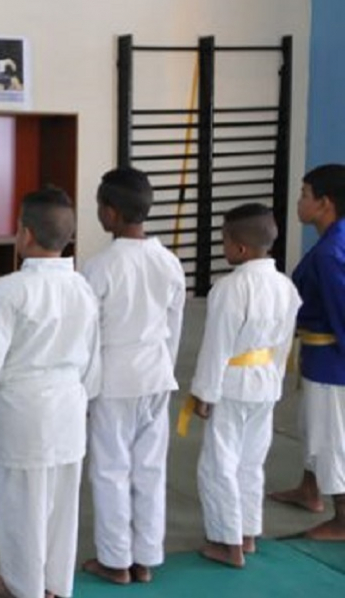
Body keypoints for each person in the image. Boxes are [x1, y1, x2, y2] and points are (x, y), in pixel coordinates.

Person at [0, 188, 100, 598]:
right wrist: (88, 398)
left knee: (18, 507)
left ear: (25, 234)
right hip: (69, 405)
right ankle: (55, 586)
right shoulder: (82, 288)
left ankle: (23, 586)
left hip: (24, 411)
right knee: (61, 507)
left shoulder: (12, 289)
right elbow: (91, 354)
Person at [79, 168, 186, 585]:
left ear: (112, 211)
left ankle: (115, 559)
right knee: (150, 468)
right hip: (157, 373)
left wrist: (86, 388)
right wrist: (166, 368)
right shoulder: (169, 261)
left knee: (110, 468)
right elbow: (175, 327)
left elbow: (89, 336)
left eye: (99, 207)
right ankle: (145, 558)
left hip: (114, 378)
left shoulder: (100, 266)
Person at [185, 204, 301, 567]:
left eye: (223, 239)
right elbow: (285, 342)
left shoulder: (230, 288)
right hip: (266, 380)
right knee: (252, 461)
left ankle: (226, 541)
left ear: (239, 248)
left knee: (220, 463)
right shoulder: (286, 286)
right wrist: (277, 379)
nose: (222, 245)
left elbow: (216, 345)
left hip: (232, 383)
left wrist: (204, 392)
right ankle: (248, 533)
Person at [268, 164, 345, 541]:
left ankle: (343, 518)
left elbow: (342, 311)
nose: (299, 201)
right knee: (311, 425)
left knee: (330, 435)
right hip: (320, 356)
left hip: (333, 362)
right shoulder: (332, 241)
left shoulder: (331, 253)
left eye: (304, 194)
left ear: (324, 203)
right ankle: (308, 487)